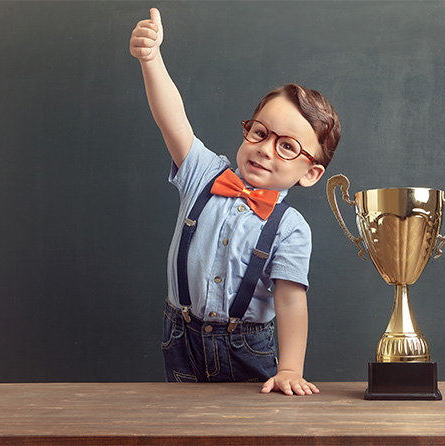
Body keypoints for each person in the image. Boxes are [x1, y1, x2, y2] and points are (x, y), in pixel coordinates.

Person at [130, 8, 340, 396]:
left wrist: (291, 368)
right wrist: (151, 58)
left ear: (309, 173)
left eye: (288, 147)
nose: (265, 150)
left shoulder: (291, 228)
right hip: (181, 336)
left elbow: (291, 301)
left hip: (246, 347)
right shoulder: (205, 175)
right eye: (260, 133)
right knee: (183, 426)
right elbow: (173, 121)